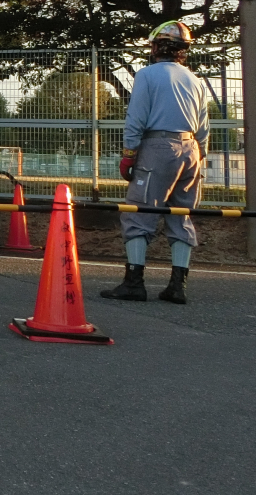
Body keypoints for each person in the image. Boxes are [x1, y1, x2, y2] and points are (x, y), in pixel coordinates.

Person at [101, 21, 209, 305]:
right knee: (181, 214)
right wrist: (201, 158)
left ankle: (134, 282)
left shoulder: (147, 75)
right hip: (191, 150)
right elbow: (203, 127)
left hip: (158, 147)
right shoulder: (195, 80)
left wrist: (129, 154)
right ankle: (177, 286)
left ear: (156, 47)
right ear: (183, 51)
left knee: (138, 213)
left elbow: (136, 117)